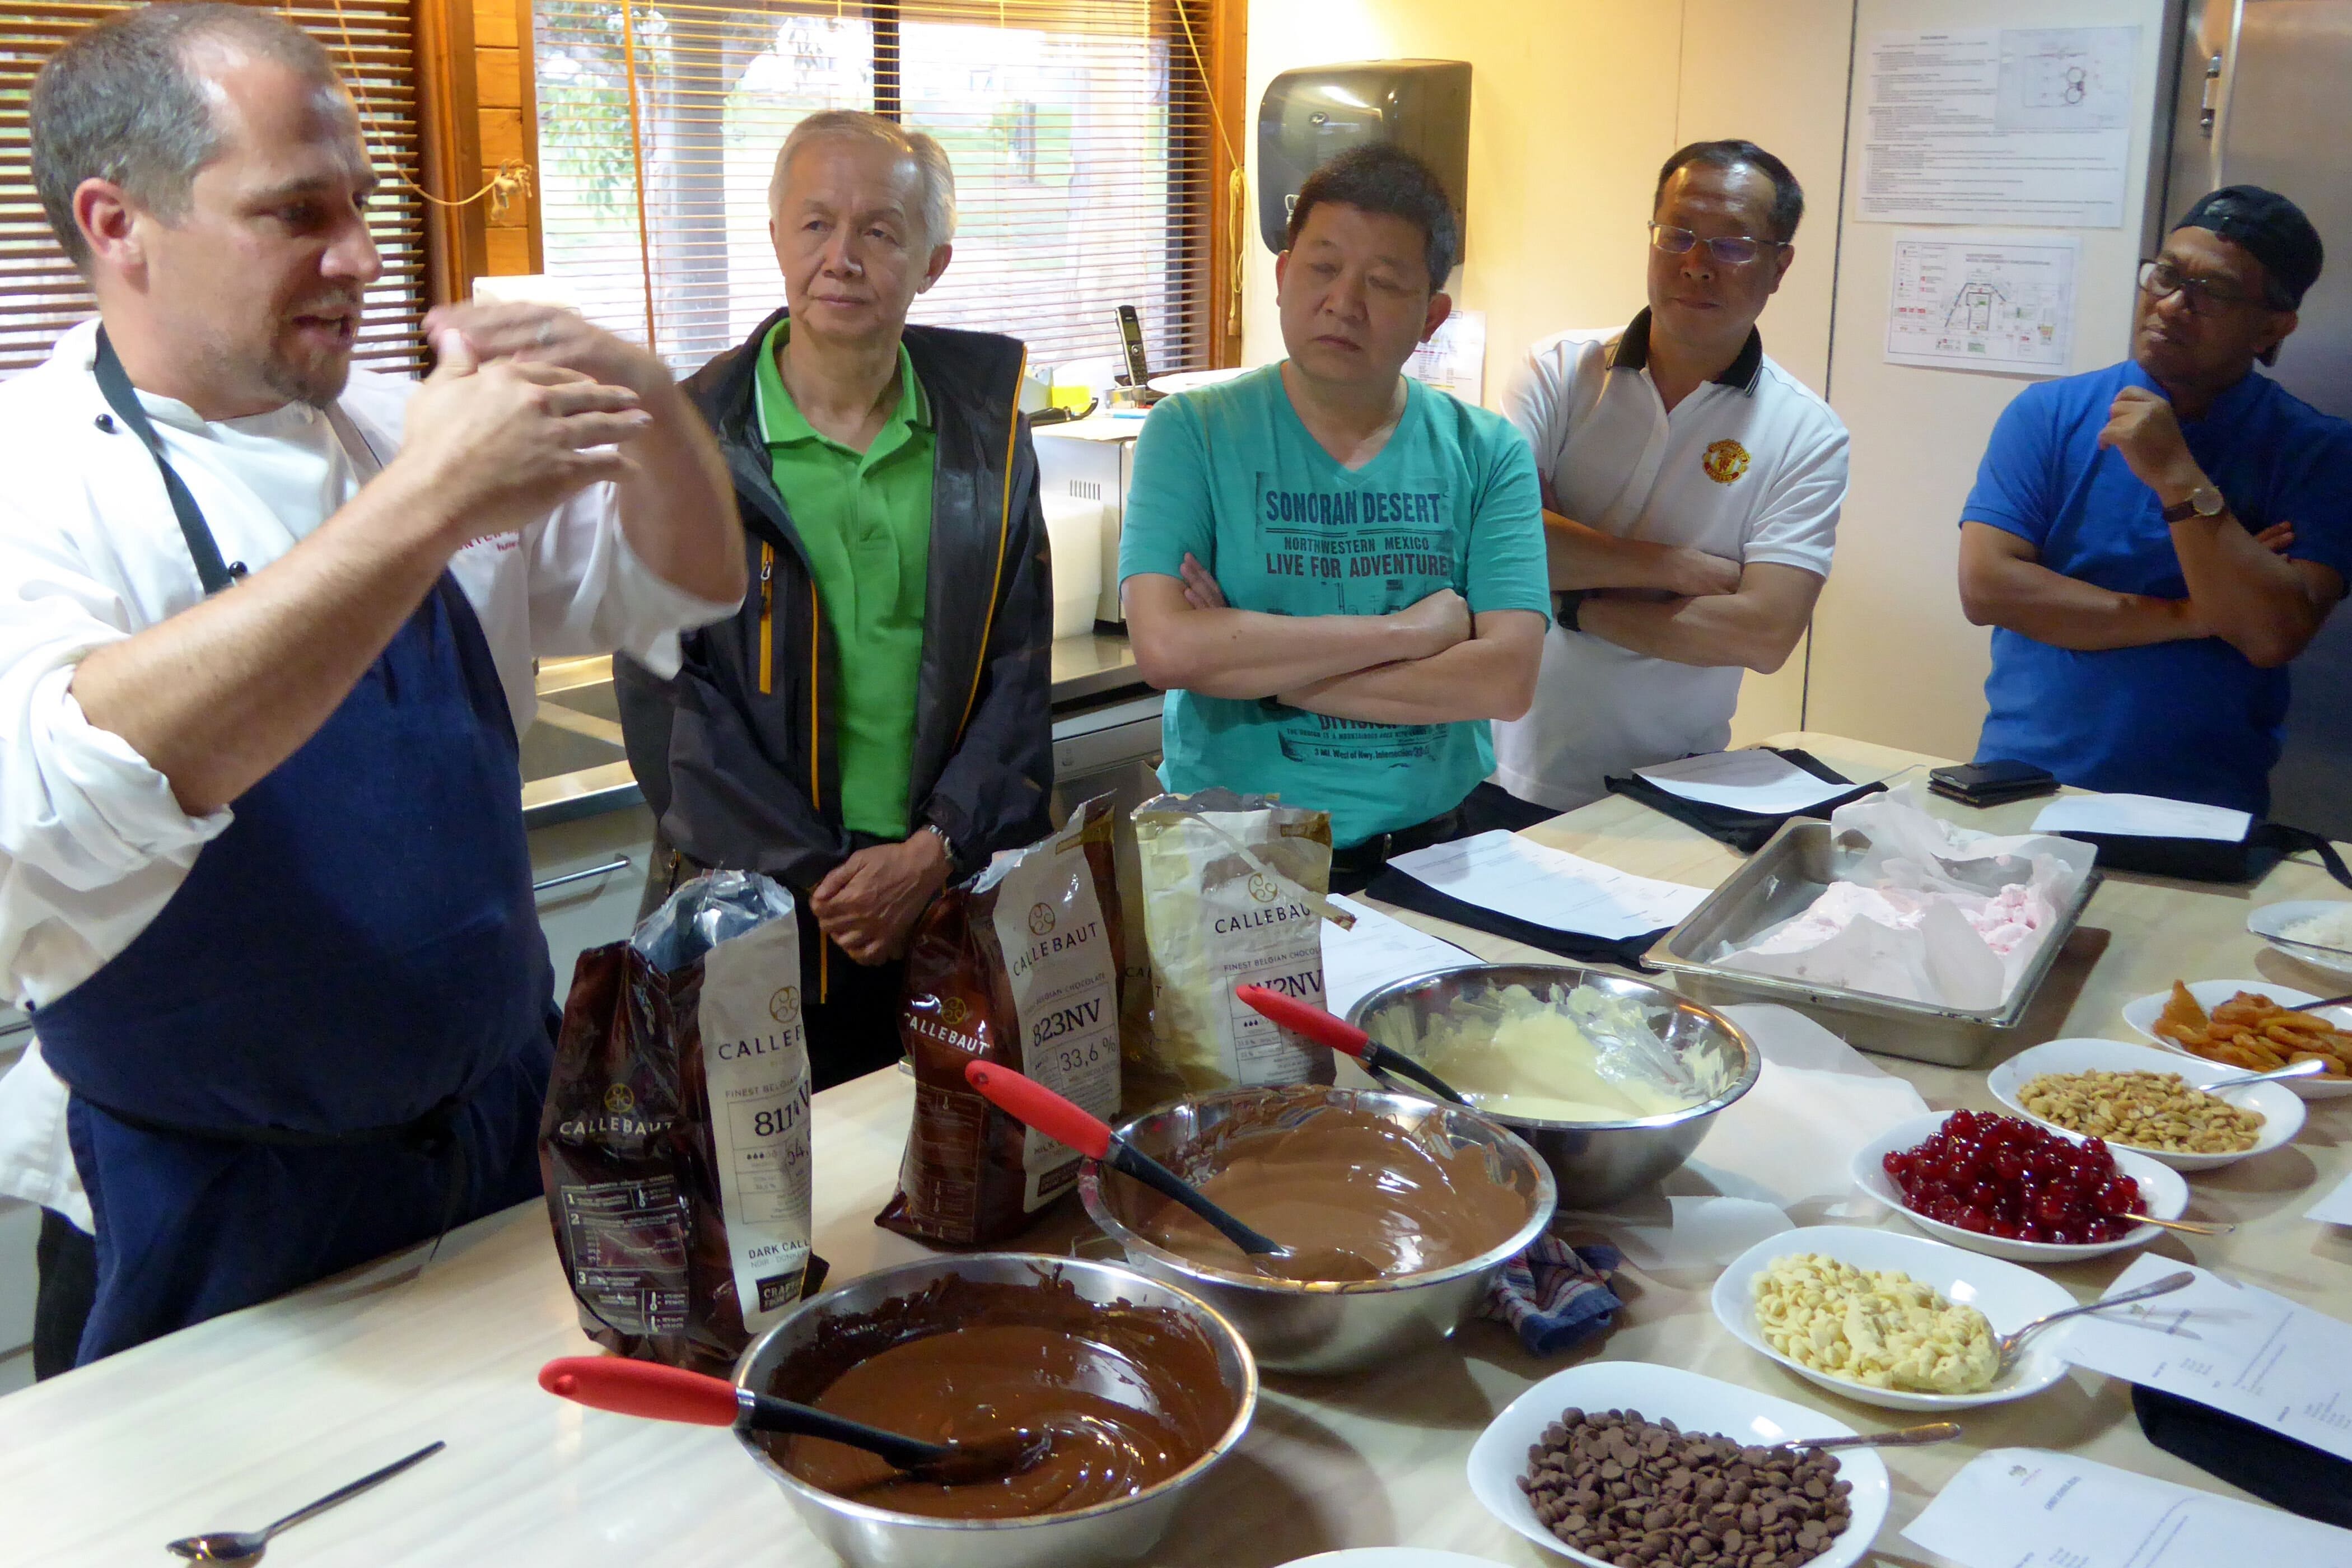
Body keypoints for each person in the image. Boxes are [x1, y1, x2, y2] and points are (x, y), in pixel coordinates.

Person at [0, 3, 743, 1370]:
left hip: (502, 1156)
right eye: (294, 215)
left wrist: (639, 381)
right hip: (212, 1215)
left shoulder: (406, 429)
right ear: (119, 225)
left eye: (362, 203)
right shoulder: (37, 475)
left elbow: (686, 584)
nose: (361, 258)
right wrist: (423, 508)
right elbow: (62, 793)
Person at [614, 111, 1053, 1089]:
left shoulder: (985, 437)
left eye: (879, 231)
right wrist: (831, 880)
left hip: (948, 904)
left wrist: (931, 851)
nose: (842, 259)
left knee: (950, 1183)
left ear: (933, 260)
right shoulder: (686, 442)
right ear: (775, 237)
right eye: (816, 225)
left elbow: (1019, 673)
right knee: (771, 1218)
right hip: (761, 925)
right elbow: (669, 704)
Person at [1117, 143, 1549, 892]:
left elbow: (1505, 679)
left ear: (1432, 316)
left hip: (1433, 858)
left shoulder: (1487, 452)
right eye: (1322, 268)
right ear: (1283, 277)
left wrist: (1260, 674)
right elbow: (1167, 648)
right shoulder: (1193, 431)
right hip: (1233, 859)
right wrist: (1409, 636)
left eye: (1383, 282)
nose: (1344, 302)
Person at [1957, 186, 2352, 814]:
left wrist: (2177, 475)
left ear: (2273, 328)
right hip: (2025, 785)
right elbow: (1989, 590)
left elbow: (2271, 634)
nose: (2171, 303)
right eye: (2166, 274)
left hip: (2203, 806)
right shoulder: (2049, 415)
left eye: (2212, 292)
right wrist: (2201, 613)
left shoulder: (2317, 451)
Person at [1487, 139, 1849, 818]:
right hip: (1493, 763)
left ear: (1780, 266)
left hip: (1673, 787)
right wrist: (1672, 569)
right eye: (1677, 235)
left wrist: (1571, 600)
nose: (1697, 265)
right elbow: (1498, 544)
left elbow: (1762, 634)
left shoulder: (1807, 433)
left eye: (1732, 244)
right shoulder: (1558, 372)